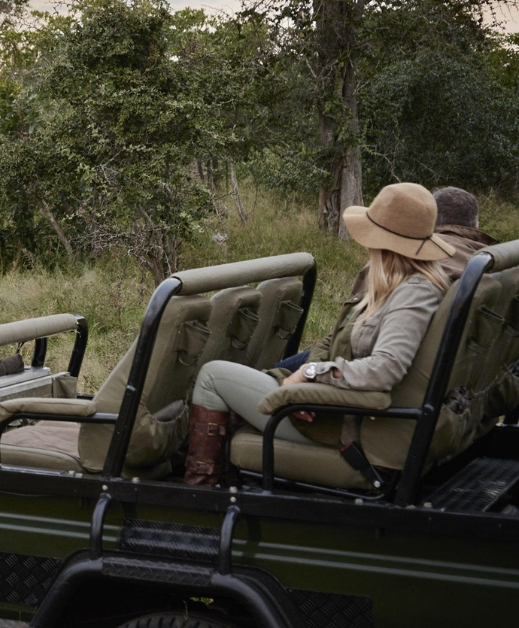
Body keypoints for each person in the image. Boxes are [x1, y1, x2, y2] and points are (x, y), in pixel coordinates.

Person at [184, 182, 452, 485]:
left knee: (212, 376)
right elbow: (333, 338)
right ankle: (230, 478)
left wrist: (311, 375)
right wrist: (305, 384)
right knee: (250, 379)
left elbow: (386, 369)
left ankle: (200, 491)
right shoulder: (390, 282)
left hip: (346, 423)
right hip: (333, 404)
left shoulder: (414, 294)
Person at [274, 185, 495, 374]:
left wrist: (311, 374)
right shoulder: (493, 267)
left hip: (354, 378)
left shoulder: (405, 271)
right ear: (476, 226)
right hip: (456, 384)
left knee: (267, 377)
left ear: (432, 226)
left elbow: (352, 340)